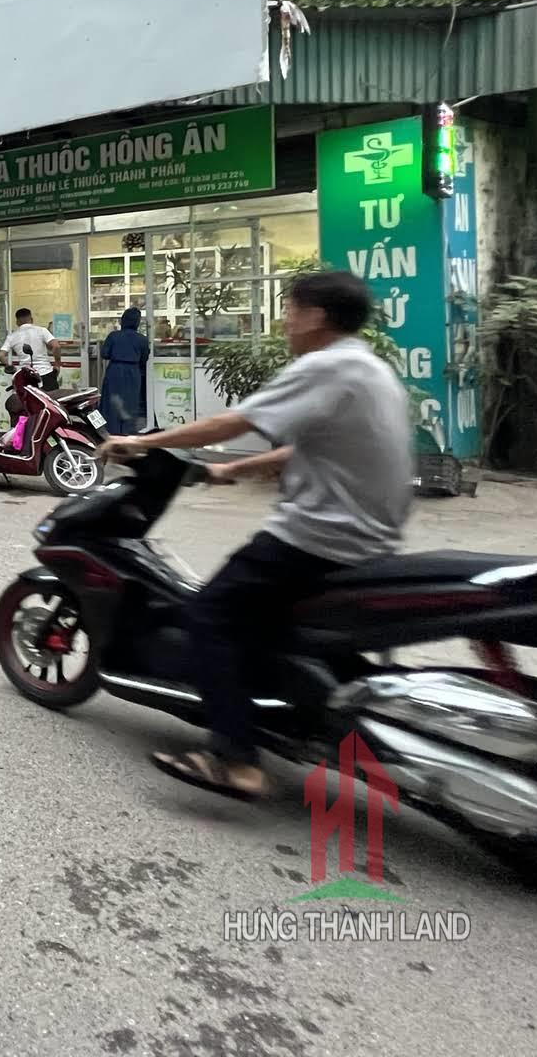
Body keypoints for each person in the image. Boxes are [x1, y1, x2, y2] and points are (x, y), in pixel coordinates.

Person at [99, 270, 412, 801]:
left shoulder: (325, 365)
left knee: (208, 614)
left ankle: (234, 757)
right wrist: (233, 469)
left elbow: (231, 423)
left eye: (290, 309)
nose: (284, 321)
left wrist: (143, 442)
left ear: (315, 316)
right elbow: (311, 447)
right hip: (371, 538)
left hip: (319, 538)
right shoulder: (369, 368)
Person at [98, 307, 150, 435]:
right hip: (133, 371)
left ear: (123, 321)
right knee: (131, 401)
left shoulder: (113, 336)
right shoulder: (142, 339)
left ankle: (111, 430)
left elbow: (104, 353)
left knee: (111, 400)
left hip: (115, 370)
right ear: (137, 322)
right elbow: (144, 358)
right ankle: (127, 431)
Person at [0, 308, 61, 392]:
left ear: (17, 322)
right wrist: (57, 365)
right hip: (46, 373)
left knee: (28, 400)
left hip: (26, 377)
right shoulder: (42, 330)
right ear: (31, 319)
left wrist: (10, 367)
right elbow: (56, 346)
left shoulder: (12, 336)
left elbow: (1, 355)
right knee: (51, 399)